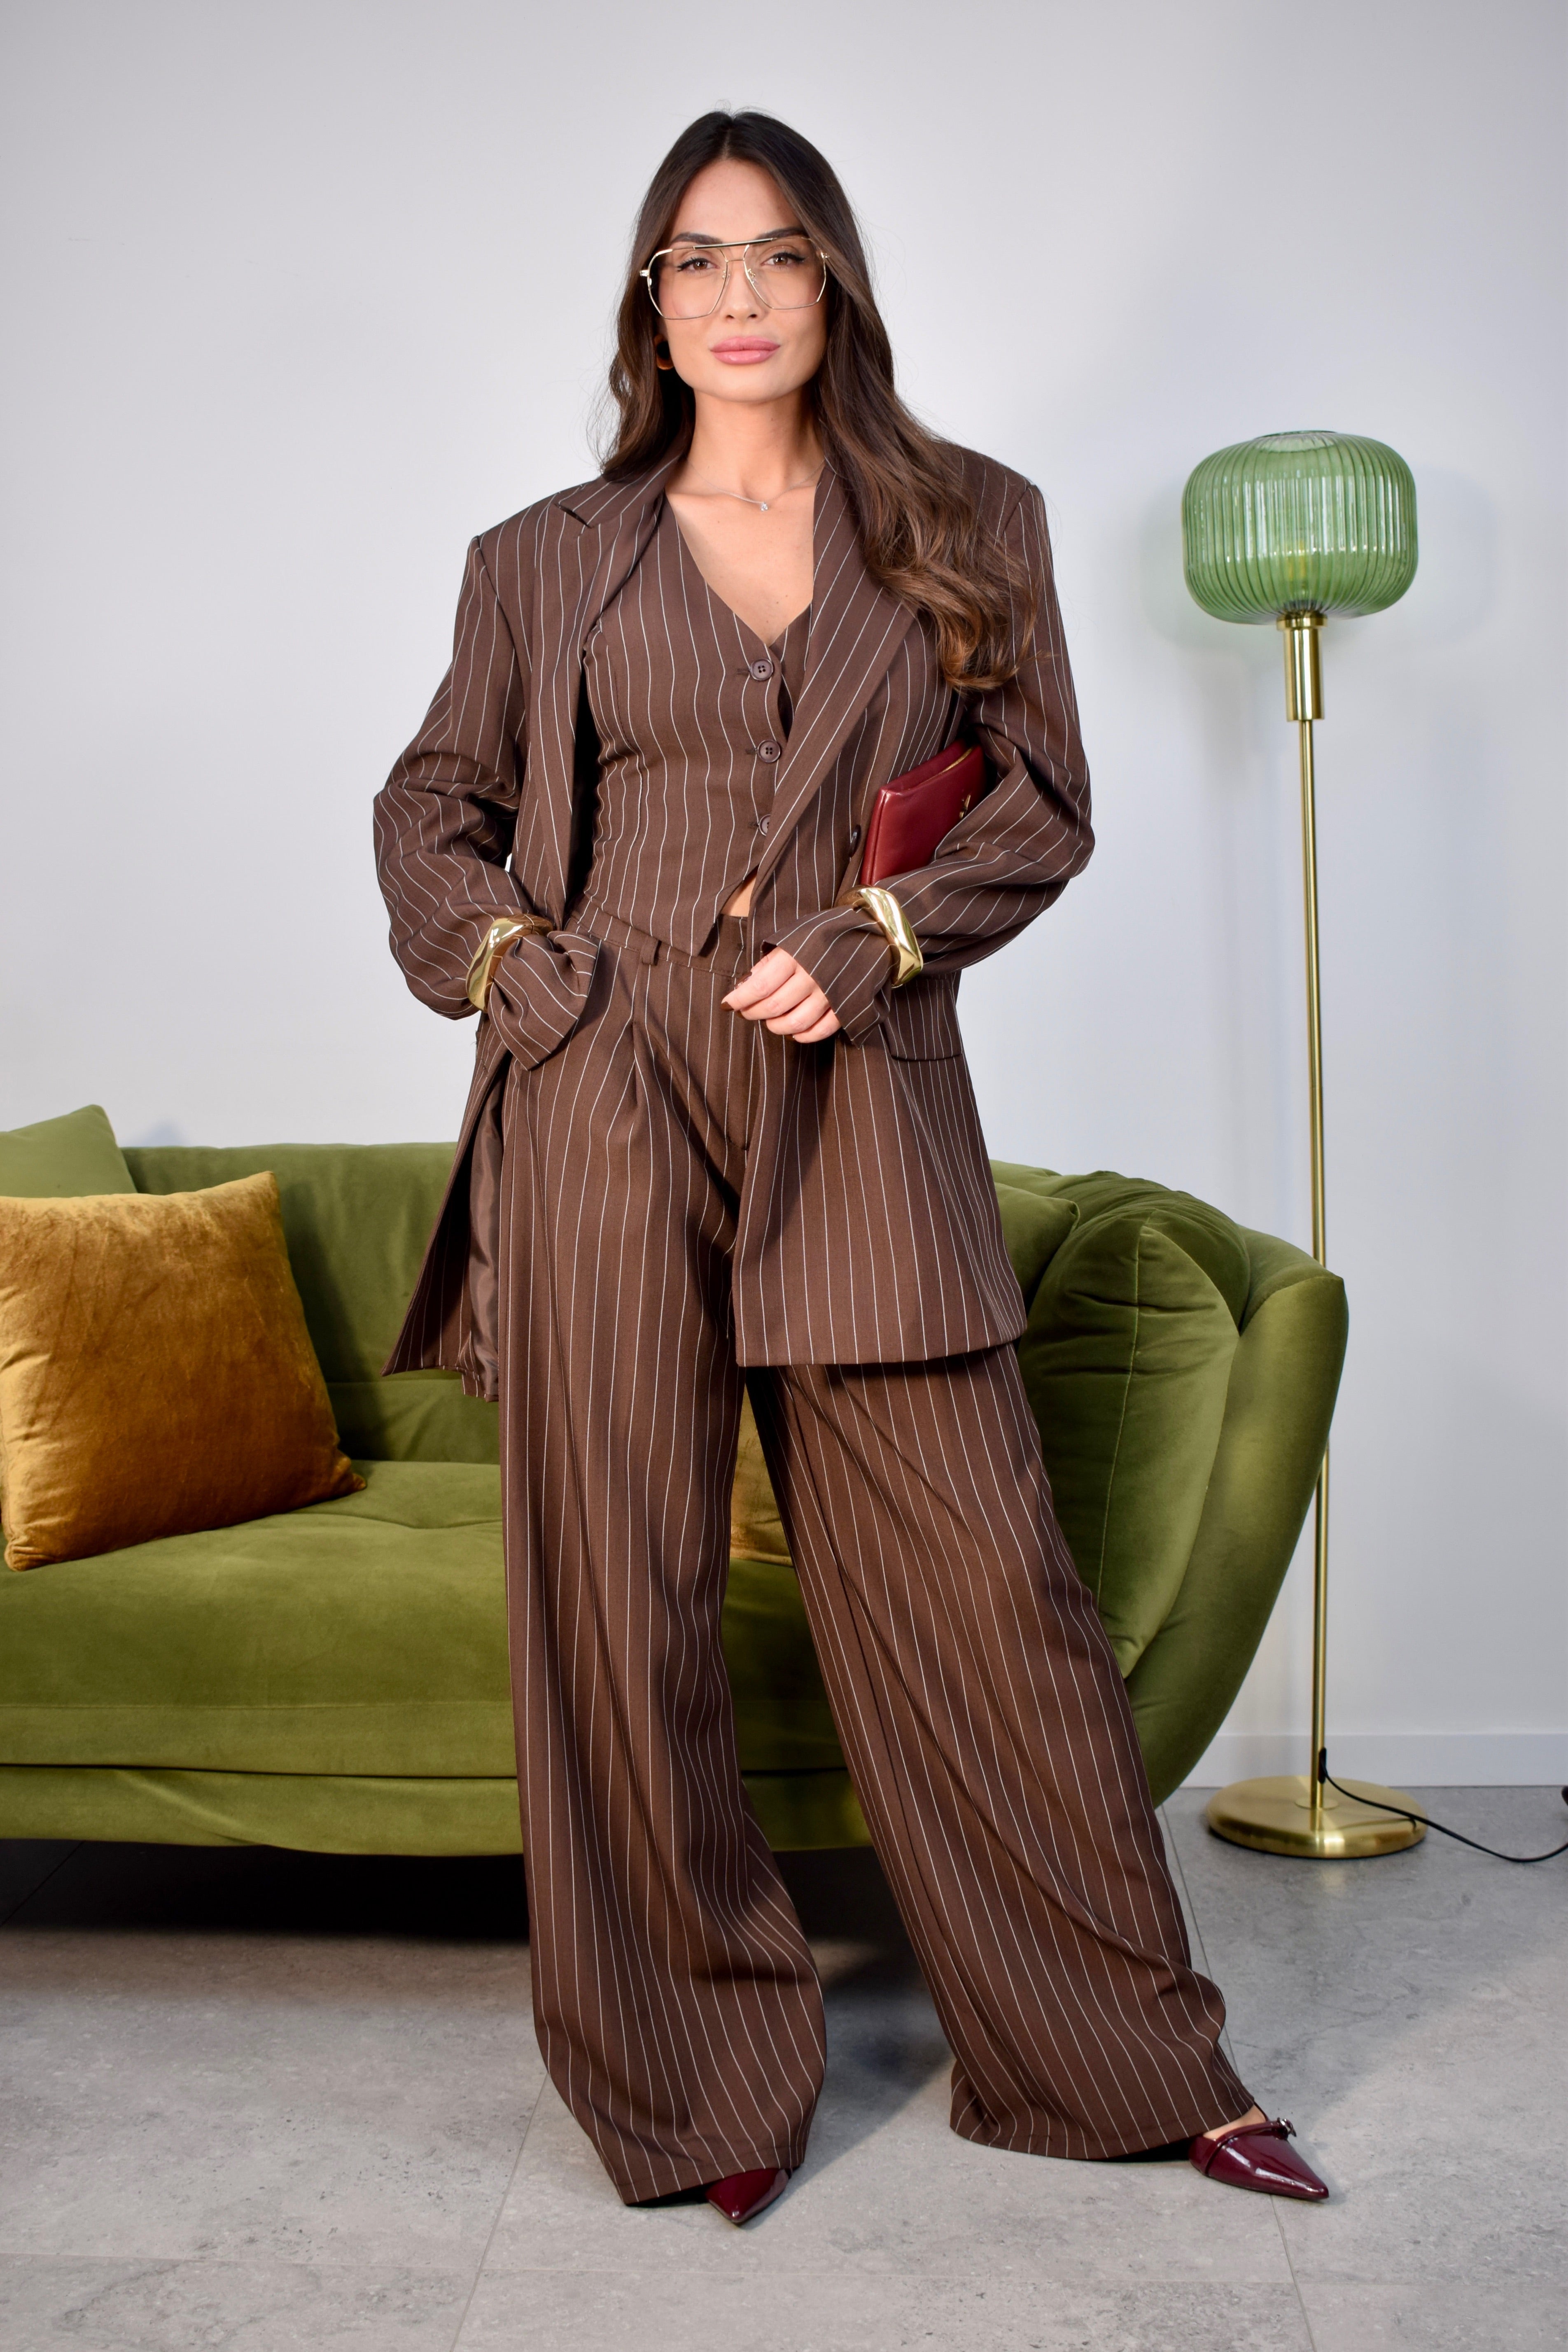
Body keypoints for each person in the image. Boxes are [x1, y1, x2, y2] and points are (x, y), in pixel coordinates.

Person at [373, 109, 1327, 2223]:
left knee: (988, 1595)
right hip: (602, 1088)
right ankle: (693, 2084)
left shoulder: (969, 522)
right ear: (651, 302)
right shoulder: (542, 557)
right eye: (696, 261)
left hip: (860, 1094)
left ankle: (1122, 2059)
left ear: (834, 284)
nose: (737, 297)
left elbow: (1040, 798)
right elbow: (430, 805)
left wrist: (884, 931)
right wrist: (514, 966)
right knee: (615, 1609)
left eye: (778, 255)